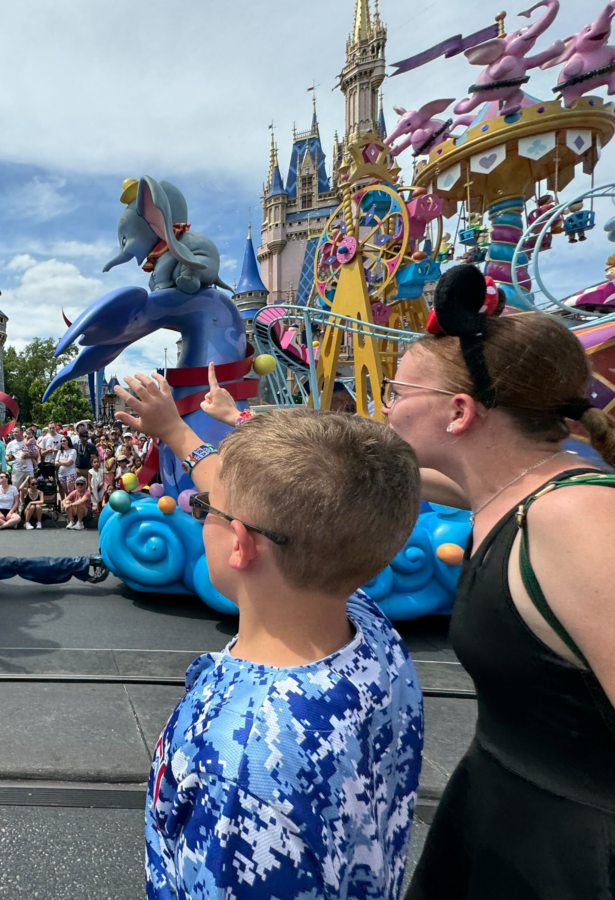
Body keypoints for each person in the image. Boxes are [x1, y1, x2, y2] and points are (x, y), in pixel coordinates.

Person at [114, 367, 424, 900]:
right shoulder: (360, 616)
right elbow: (270, 504)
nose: (199, 508)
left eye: (205, 507)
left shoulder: (243, 772)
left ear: (241, 543)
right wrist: (177, 432)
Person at [379, 266, 615, 899]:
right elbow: (398, 470)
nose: (387, 406)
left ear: (459, 412)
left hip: (572, 856)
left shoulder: (577, 518)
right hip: (509, 816)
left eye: (396, 390)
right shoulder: (508, 490)